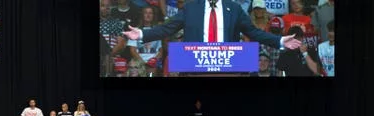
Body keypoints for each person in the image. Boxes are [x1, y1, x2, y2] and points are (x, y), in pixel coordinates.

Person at [122, 0, 302, 49]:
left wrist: (279, 41)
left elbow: (254, 32)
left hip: (228, 68)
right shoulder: (191, 8)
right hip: (195, 67)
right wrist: (143, 34)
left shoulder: (235, 9)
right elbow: (167, 28)